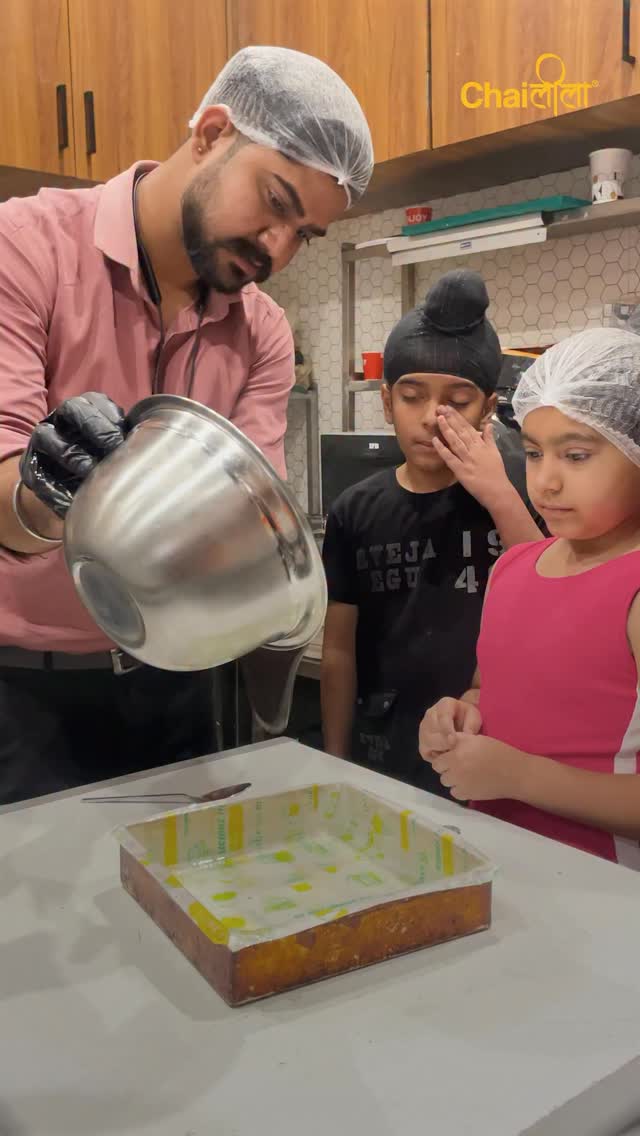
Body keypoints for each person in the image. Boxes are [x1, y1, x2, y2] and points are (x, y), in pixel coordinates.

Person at [0, 46, 374, 805]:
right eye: (274, 201)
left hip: (174, 695)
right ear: (209, 133)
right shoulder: (24, 248)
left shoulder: (263, 332)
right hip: (21, 696)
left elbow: (245, 521)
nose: (277, 249)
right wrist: (42, 492)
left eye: (305, 234)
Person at [419, 328, 640, 868]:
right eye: (536, 453)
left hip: (604, 891)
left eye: (578, 455)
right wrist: (460, 716)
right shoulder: (513, 569)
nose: (546, 482)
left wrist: (518, 776)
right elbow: (486, 689)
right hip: (497, 863)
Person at [321, 269, 542, 793]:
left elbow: (552, 595)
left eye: (458, 401)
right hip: (387, 740)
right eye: (412, 396)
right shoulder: (355, 510)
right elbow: (338, 649)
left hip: (493, 742)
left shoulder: (522, 496)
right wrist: (334, 757)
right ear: (385, 401)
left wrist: (497, 493)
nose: (430, 418)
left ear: (489, 407)